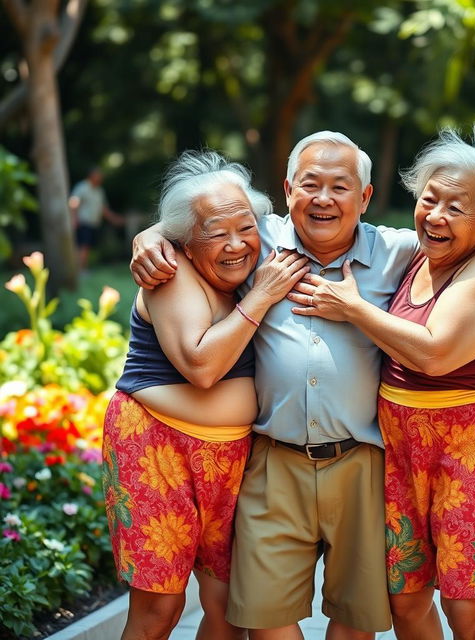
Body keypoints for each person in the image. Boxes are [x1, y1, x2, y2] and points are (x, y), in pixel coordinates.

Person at [129, 131, 475, 640]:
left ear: (364, 198)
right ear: (287, 190)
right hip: (274, 460)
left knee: (363, 618)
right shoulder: (253, 245)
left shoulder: (400, 251)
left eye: (340, 187)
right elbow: (200, 223)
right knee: (265, 618)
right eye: (310, 185)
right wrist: (150, 237)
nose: (323, 199)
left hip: (365, 461)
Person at [288, 128, 475, 640]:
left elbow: (434, 352)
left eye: (456, 208)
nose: (436, 216)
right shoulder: (414, 256)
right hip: (402, 448)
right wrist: (152, 236)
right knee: (404, 598)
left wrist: (352, 308)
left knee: (466, 608)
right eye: (430, 199)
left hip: (474, 446)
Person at [102, 150, 308, 640]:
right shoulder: (170, 272)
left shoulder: (258, 257)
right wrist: (262, 296)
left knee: (227, 605)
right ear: (185, 243)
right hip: (157, 447)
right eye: (216, 234)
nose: (236, 245)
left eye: (246, 228)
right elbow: (202, 365)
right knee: (161, 607)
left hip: (233, 458)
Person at [69, 167, 125, 271]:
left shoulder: (99, 190)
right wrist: (73, 219)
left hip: (93, 224)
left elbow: (103, 209)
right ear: (91, 175)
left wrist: (114, 219)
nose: (100, 178)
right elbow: (73, 203)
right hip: (83, 222)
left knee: (87, 247)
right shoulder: (82, 187)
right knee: (83, 246)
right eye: (98, 176)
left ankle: (82, 268)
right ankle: (80, 270)